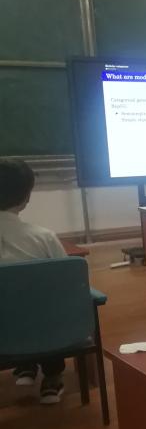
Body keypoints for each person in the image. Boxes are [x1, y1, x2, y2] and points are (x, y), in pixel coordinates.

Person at [0, 158, 69, 403]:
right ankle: (52, 376)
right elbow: (68, 283)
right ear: (27, 197)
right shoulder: (44, 238)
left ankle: (25, 365)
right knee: (47, 305)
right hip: (43, 330)